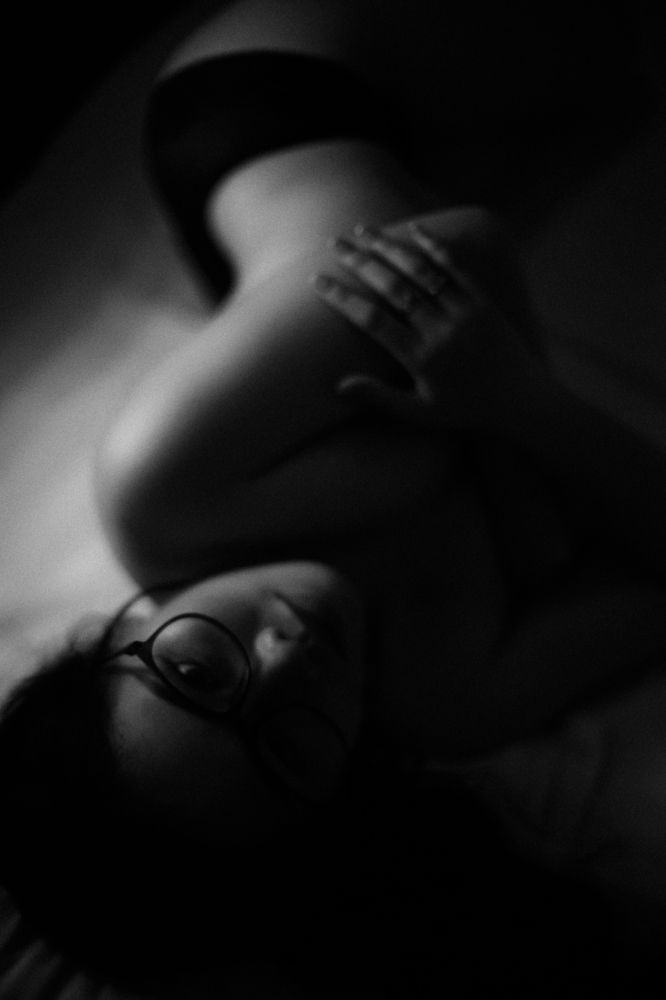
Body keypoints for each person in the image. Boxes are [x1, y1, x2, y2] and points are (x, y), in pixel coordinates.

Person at [0, 0, 663, 982]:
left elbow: (470, 248)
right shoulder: (446, 697)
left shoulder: (166, 478)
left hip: (283, 95)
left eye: (198, 670)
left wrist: (523, 476)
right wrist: (518, 409)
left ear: (123, 628)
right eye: (286, 745)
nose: (288, 654)